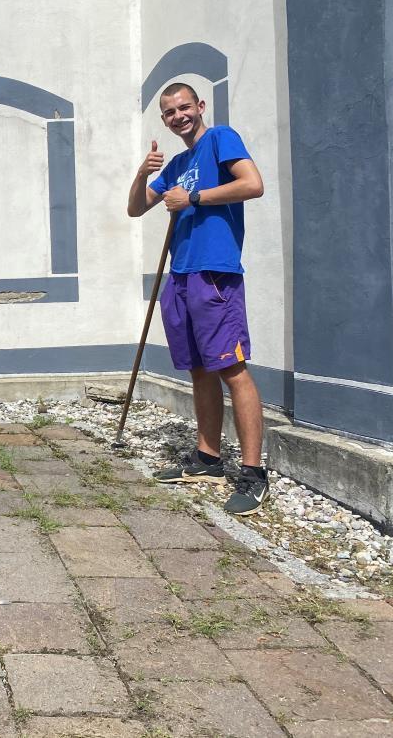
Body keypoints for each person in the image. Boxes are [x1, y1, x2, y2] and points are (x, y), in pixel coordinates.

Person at [126, 83, 269, 515]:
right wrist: (142, 173)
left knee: (231, 368)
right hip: (182, 275)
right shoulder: (177, 163)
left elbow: (253, 184)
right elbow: (137, 208)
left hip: (214, 272)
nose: (179, 116)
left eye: (184, 107)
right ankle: (208, 459)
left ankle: (253, 473)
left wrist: (193, 198)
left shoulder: (220, 138)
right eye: (170, 112)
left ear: (200, 106)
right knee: (200, 369)